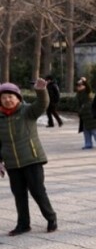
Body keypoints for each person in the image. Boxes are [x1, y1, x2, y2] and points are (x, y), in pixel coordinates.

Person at [0, 79, 58, 235]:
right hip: (12, 163)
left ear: (18, 97)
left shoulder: (27, 111)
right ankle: (23, 224)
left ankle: (51, 218)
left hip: (32, 159)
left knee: (38, 191)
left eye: (10, 96)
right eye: (4, 97)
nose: (7, 99)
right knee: (19, 195)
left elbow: (42, 104)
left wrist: (41, 90)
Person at [75, 77, 96, 149]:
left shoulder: (87, 91)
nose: (78, 87)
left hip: (90, 114)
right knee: (86, 131)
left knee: (93, 130)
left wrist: (84, 81)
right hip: (83, 115)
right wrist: (79, 111)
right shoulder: (78, 94)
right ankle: (88, 144)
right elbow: (78, 104)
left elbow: (88, 87)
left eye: (80, 85)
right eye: (78, 86)